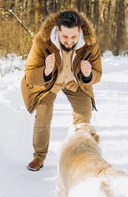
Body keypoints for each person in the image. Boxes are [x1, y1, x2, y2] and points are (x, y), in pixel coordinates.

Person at [21, 9, 102, 171]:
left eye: (73, 37)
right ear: (57, 30)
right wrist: (45, 71)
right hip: (50, 82)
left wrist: (87, 75)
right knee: (43, 115)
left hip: (75, 82)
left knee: (84, 116)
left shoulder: (90, 43)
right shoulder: (42, 41)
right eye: (65, 36)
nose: (69, 41)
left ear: (79, 31)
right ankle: (38, 157)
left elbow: (97, 74)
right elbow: (29, 75)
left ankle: (78, 156)